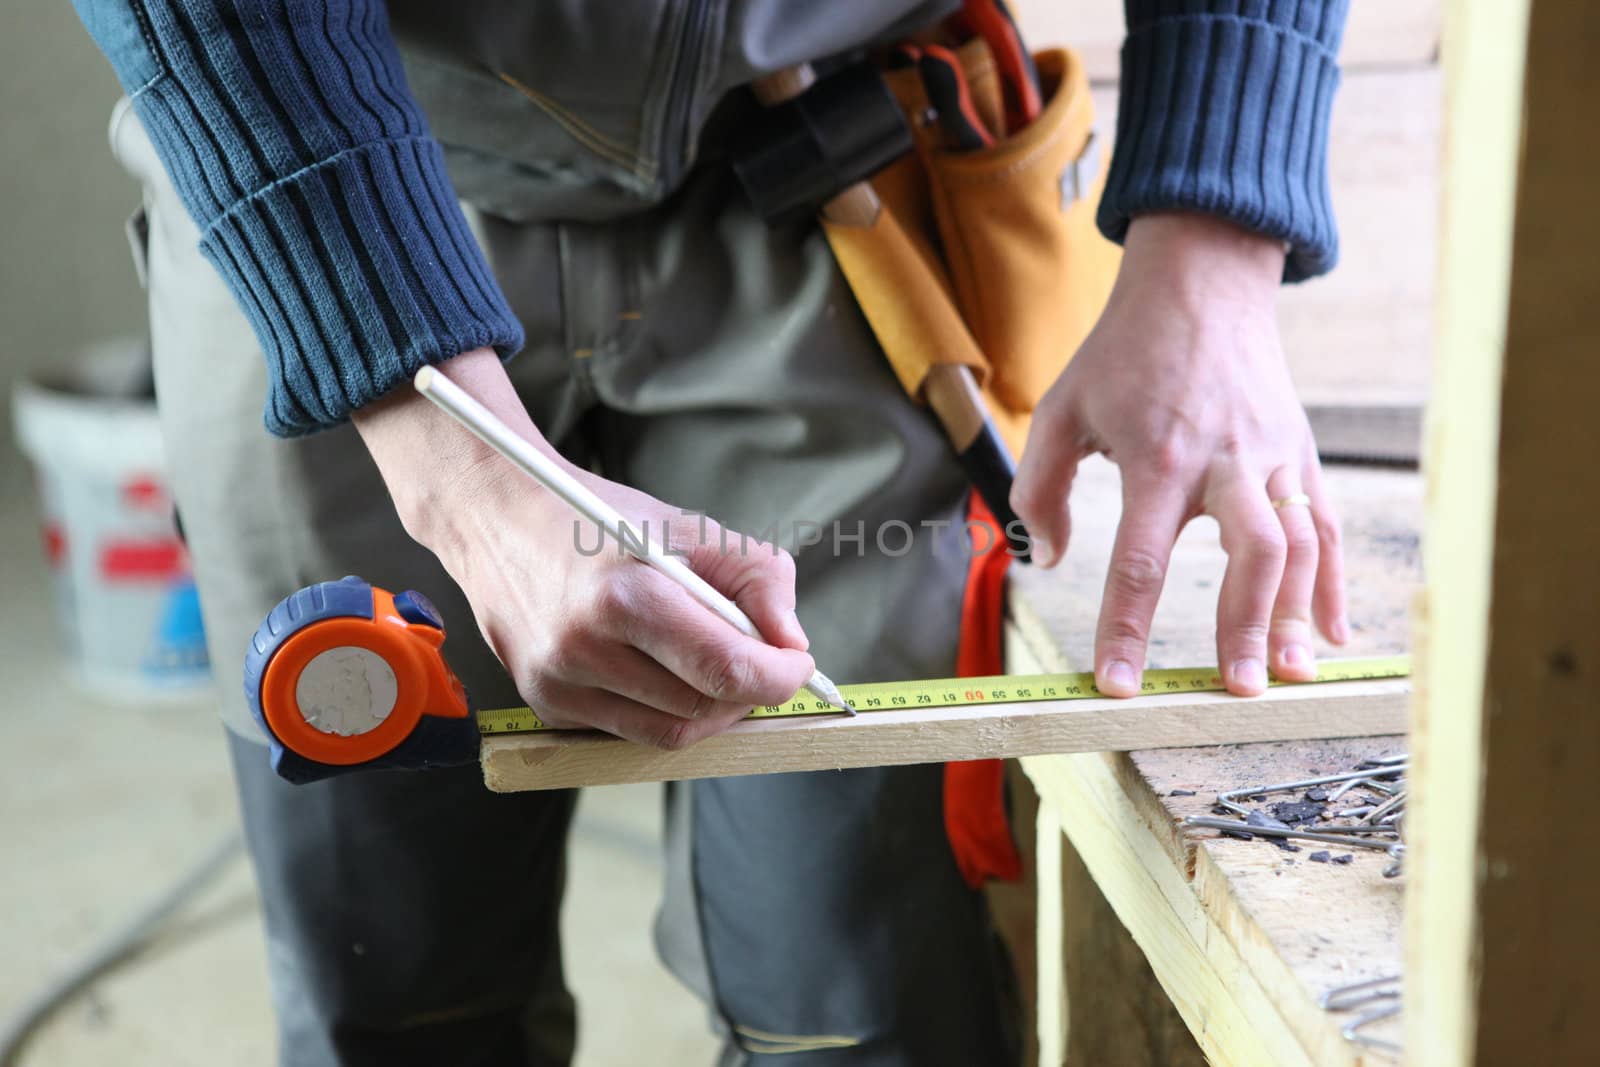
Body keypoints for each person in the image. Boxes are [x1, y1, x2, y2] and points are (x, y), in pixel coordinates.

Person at [77, 1, 1351, 1063]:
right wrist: (458, 471)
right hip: (315, 177)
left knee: (861, 1013)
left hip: (841, 163)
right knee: (397, 993)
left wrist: (1215, 244)